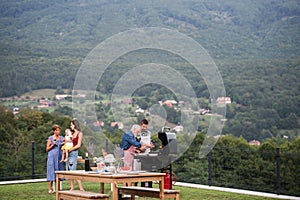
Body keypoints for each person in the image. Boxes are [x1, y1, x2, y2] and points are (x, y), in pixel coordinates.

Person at [66, 119, 84, 191]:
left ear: (75, 125)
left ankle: (81, 188)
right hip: (68, 152)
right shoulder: (71, 134)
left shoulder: (79, 134)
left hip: (73, 152)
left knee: (73, 170)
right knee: (69, 170)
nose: (70, 126)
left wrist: (71, 149)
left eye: (71, 125)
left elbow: (78, 145)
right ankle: (72, 187)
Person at [46, 124, 64, 194]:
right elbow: (47, 149)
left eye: (59, 130)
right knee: (51, 170)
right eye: (57, 130)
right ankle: (50, 188)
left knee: (59, 169)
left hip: (59, 155)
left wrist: (63, 144)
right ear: (54, 131)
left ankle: (58, 188)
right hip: (52, 156)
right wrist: (53, 145)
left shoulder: (61, 138)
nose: (58, 131)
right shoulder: (50, 138)